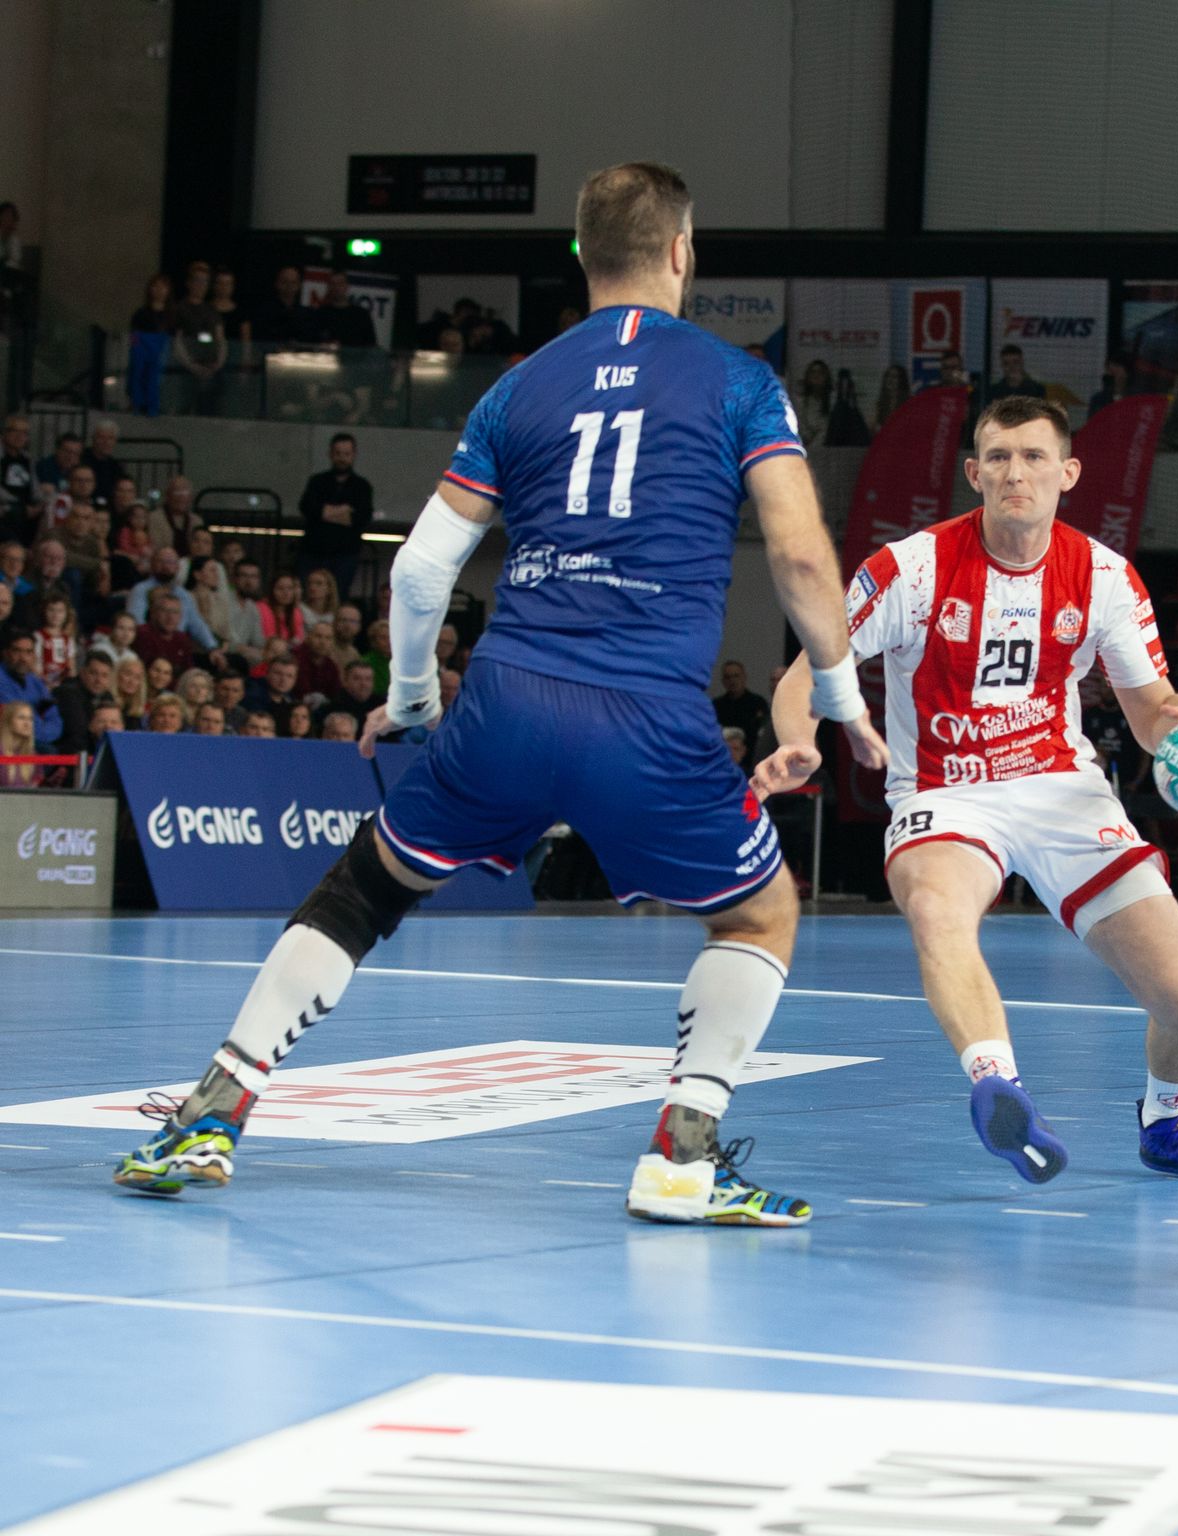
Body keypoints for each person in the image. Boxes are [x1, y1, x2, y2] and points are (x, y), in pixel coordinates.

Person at [117, 160, 887, 1231]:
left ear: (580, 254)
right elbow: (800, 558)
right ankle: (681, 1158)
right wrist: (840, 697)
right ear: (681, 251)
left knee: (362, 889)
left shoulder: (517, 386)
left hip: (508, 703)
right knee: (758, 912)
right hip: (647, 717)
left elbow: (420, 570)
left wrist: (413, 697)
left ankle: (213, 1111)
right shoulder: (738, 382)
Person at [761, 394, 1178, 1187]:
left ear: (1069, 472)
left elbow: (1152, 714)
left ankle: (1166, 1123)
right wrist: (797, 741)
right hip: (945, 790)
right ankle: (1001, 1088)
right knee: (936, 909)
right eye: (997, 457)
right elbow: (806, 675)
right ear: (973, 472)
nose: (1014, 472)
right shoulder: (911, 569)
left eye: (1032, 457)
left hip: (1061, 790)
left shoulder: (1105, 578)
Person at [297, 433, 375, 597]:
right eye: (338, 453)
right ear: (331, 454)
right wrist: (344, 511)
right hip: (313, 550)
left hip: (345, 553)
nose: (342, 458)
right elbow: (307, 508)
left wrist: (326, 512)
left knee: (338, 596)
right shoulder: (317, 481)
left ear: (354, 455)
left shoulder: (362, 486)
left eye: (346, 454)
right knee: (308, 594)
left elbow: (361, 517)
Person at [170, 260, 227, 414]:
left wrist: (219, 363)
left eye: (205, 282)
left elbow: (220, 338)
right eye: (197, 281)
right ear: (189, 283)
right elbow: (177, 340)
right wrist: (191, 365)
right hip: (187, 370)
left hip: (211, 367)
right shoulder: (179, 308)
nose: (201, 286)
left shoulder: (212, 310)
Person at [0, 631, 62, 745]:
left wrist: (44, 734)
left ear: (34, 656)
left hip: (41, 742)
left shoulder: (35, 682)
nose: (23, 658)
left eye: (28, 652)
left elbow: (54, 718)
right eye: (17, 651)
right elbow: (17, 722)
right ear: (6, 653)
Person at [128, 276, 176, 417]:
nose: (159, 290)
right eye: (156, 286)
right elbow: (134, 336)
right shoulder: (141, 313)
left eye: (163, 287)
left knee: (155, 379)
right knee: (139, 376)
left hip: (161, 353)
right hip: (141, 351)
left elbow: (174, 337)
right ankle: (138, 404)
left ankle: (154, 406)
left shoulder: (171, 315)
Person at [712, 659, 769, 751]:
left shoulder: (758, 703)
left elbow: (763, 734)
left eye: (736, 676)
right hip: (723, 753)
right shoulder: (716, 705)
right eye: (728, 677)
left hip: (752, 754)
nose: (732, 681)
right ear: (723, 681)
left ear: (744, 677)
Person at [146, 476, 205, 557]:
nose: (181, 497)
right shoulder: (154, 518)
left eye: (185, 492)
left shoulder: (197, 521)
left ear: (191, 497)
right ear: (168, 495)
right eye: (177, 492)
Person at [792, 358, 832, 448]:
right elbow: (800, 426)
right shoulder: (800, 401)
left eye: (820, 373)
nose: (816, 375)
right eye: (813, 372)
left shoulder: (832, 401)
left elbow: (825, 430)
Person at [0, 700, 42, 785]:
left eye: (30, 719)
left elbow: (34, 789)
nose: (27, 723)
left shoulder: (33, 755)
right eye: (21, 718)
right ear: (8, 722)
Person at [873, 364, 910, 430]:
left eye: (894, 377)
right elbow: (874, 425)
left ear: (901, 380)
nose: (890, 379)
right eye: (887, 376)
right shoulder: (881, 403)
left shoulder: (908, 402)